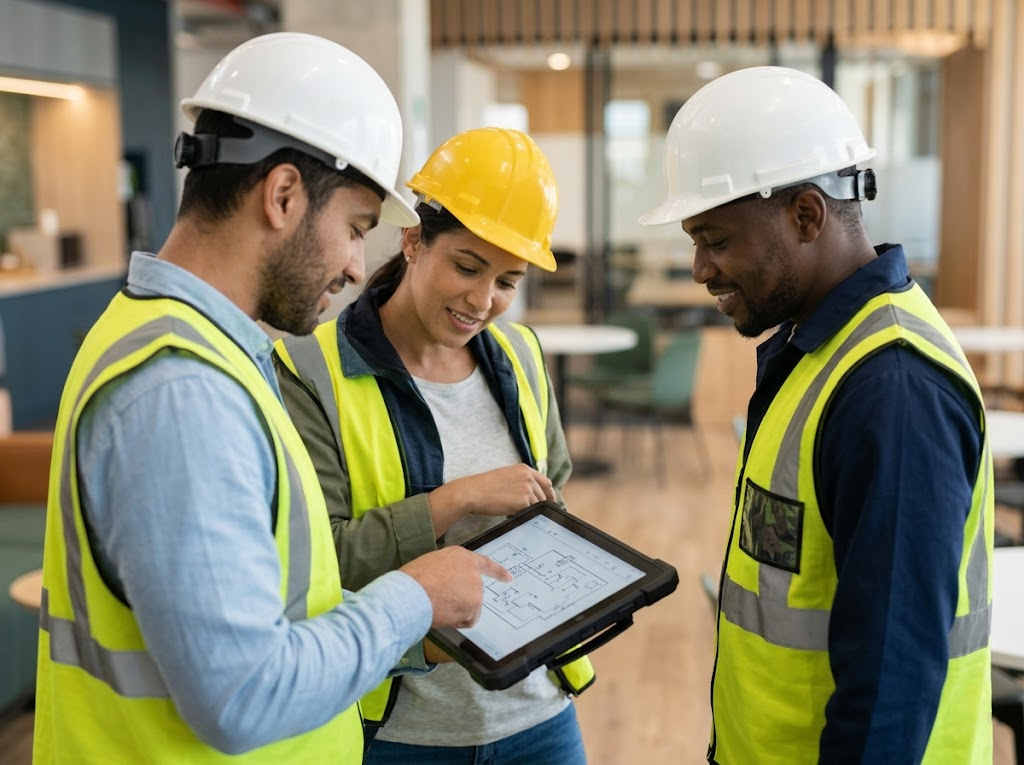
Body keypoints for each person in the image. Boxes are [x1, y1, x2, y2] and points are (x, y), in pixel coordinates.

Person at [32, 32, 511, 765]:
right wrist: (413, 596)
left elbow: (273, 619)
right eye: (354, 229)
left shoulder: (192, 348)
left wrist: (400, 631)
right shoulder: (182, 390)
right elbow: (244, 694)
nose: (358, 267)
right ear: (283, 195)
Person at [639, 66, 994, 764]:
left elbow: (890, 680)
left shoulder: (890, 388)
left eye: (716, 239)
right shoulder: (817, 348)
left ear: (807, 214)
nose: (699, 268)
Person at [274, 126, 593, 764]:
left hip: (538, 708)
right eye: (467, 267)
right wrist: (457, 500)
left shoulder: (522, 356)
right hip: (402, 731)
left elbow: (553, 494)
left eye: (508, 280)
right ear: (414, 241)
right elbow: (323, 558)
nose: (483, 301)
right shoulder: (310, 370)